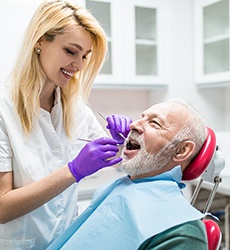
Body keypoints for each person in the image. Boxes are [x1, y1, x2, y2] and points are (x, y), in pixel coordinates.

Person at [0, 0, 131, 249]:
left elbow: (118, 160)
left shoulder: (76, 107)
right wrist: (73, 171)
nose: (79, 65)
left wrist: (121, 141)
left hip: (67, 242)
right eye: (71, 51)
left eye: (84, 56)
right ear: (40, 41)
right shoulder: (3, 110)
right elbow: (2, 207)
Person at [46, 99, 209, 250]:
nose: (133, 125)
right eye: (141, 117)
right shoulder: (119, 187)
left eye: (154, 123)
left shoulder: (181, 231)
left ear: (181, 151)